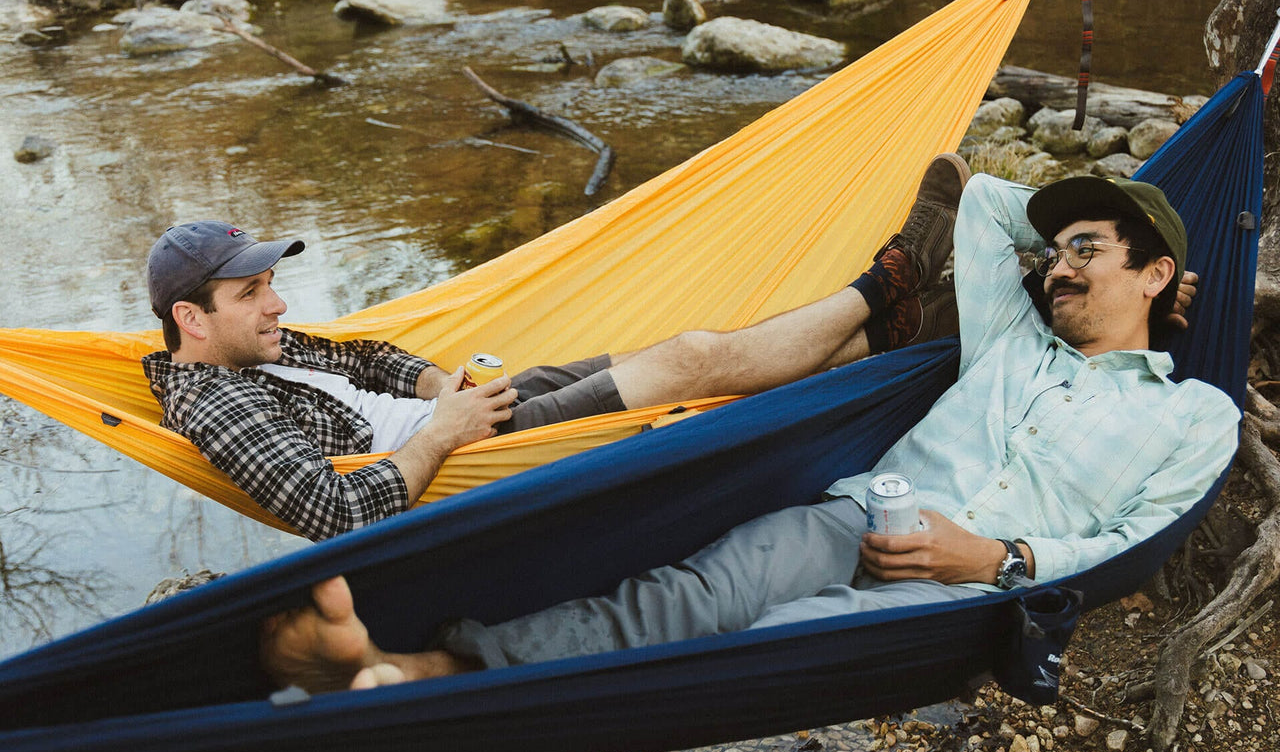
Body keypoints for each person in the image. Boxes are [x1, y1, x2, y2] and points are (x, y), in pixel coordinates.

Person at [260, 168, 1236, 693]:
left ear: (1154, 276)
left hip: (968, 582)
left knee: (767, 645)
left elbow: (1128, 539)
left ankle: (438, 696)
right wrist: (1064, 245)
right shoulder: (1014, 336)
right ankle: (413, 668)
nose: (1059, 269)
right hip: (851, 516)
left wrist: (995, 554)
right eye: (1055, 252)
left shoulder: (1191, 413)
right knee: (675, 599)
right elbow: (980, 203)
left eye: (1088, 254)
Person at [144, 156, 970, 541]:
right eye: (251, 292)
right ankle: (890, 278)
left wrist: (436, 385)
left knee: (718, 349)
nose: (276, 302)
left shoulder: (254, 347)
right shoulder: (216, 400)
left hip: (463, 412)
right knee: (691, 357)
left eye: (269, 284)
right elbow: (332, 513)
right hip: (472, 456)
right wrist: (444, 433)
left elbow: (363, 359)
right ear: (191, 317)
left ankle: (918, 328)